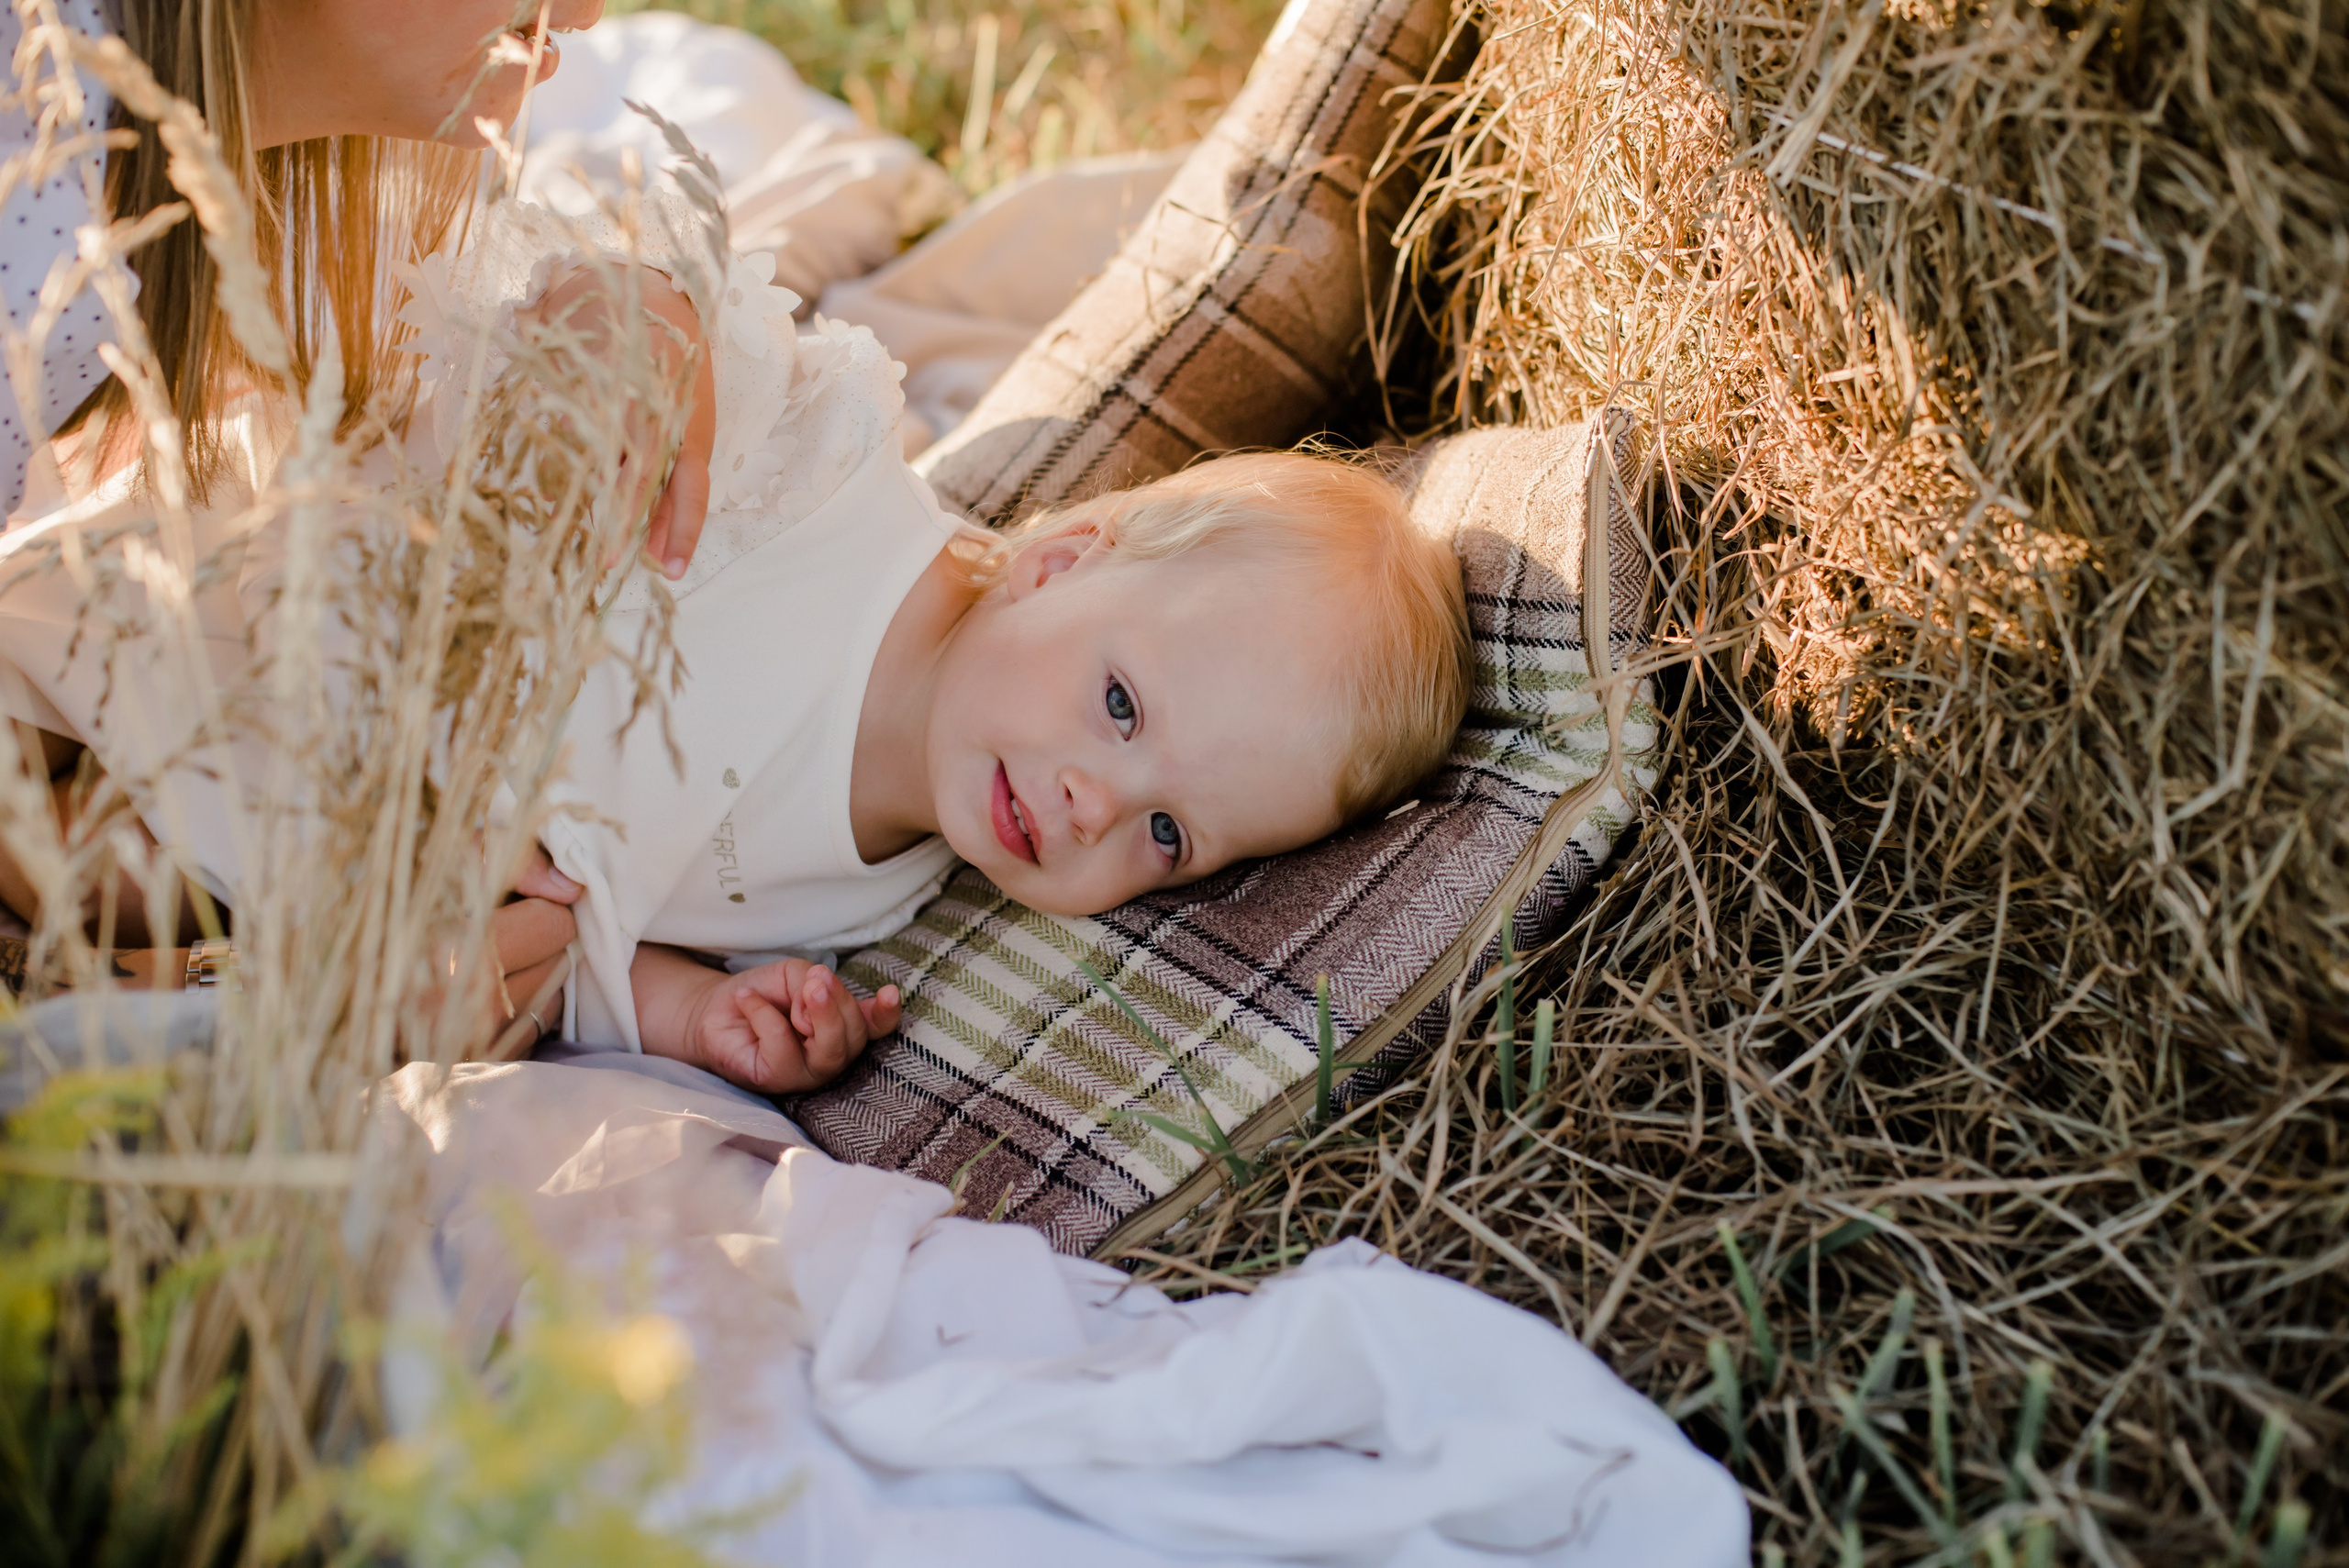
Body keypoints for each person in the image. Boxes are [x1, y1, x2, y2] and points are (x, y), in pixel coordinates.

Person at [0, 0, 733, 1010]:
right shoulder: (33, 155)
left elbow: (434, 332)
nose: (582, 13)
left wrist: (627, 297)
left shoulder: (216, 164)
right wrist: (266, 993)